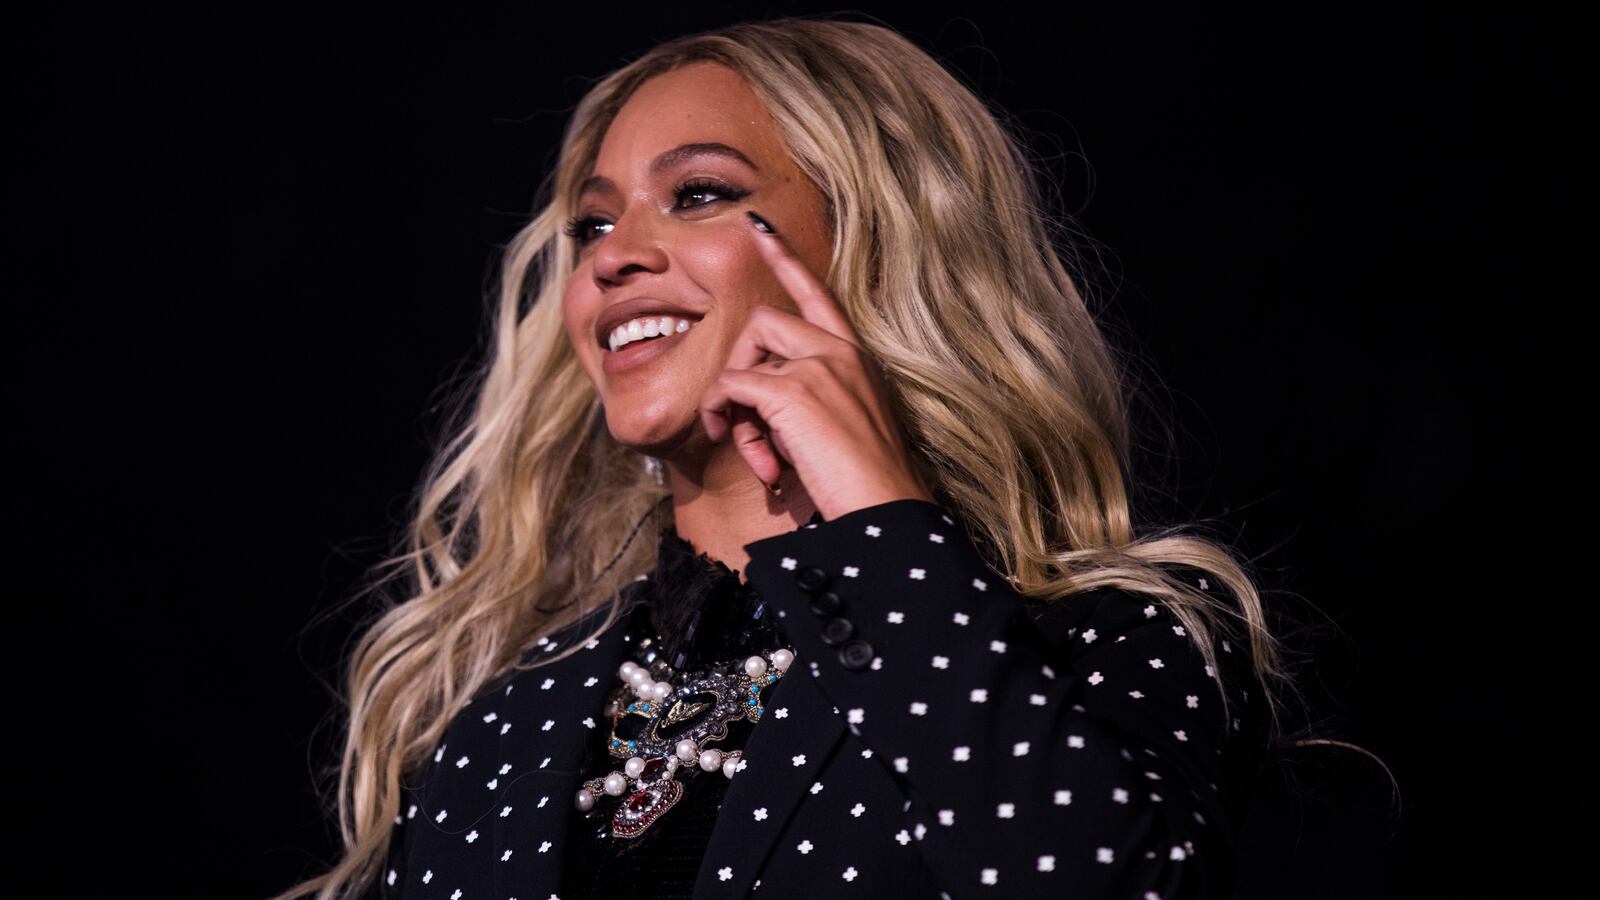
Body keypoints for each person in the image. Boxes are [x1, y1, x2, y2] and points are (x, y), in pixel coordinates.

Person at [274, 16, 1329, 900]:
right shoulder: (508, 714)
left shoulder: (1103, 640)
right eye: (592, 224)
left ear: (877, 239)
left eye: (696, 193)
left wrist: (882, 525)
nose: (613, 257)